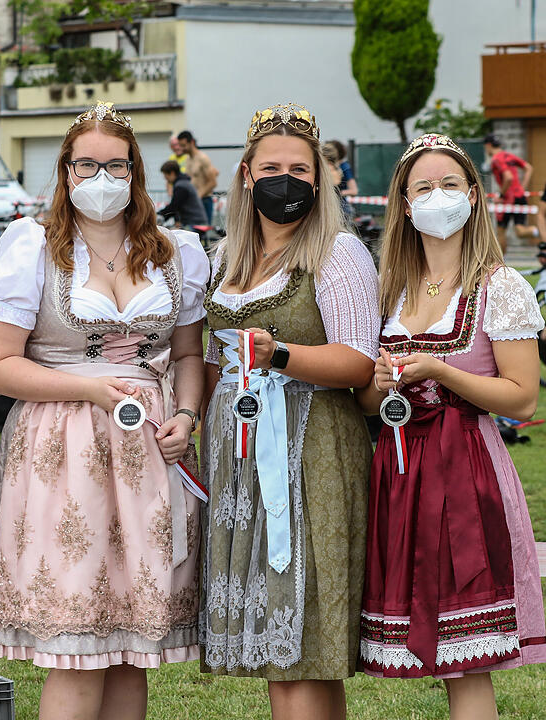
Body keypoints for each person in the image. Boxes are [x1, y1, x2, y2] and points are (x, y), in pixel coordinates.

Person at [0, 100, 209, 720]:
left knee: (134, 651)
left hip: (148, 450)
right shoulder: (32, 246)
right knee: (78, 652)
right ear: (65, 171)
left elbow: (189, 354)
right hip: (64, 447)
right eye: (87, 165)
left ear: (136, 171)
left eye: (116, 165)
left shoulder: (174, 251)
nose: (102, 178)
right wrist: (90, 390)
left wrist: (186, 414)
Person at [199, 103, 379, 720]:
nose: (286, 180)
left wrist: (280, 357)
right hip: (241, 450)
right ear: (246, 175)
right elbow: (208, 360)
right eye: (272, 167)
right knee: (288, 655)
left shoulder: (338, 253)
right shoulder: (225, 257)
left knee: (301, 645)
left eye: (300, 169)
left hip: (311, 448)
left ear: (320, 179)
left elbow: (358, 362)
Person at [357, 133, 546, 716]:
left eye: (449, 185)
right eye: (423, 187)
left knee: (466, 662)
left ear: (473, 195)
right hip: (400, 470)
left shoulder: (501, 285)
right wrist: (381, 386)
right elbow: (365, 399)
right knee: (441, 655)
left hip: (466, 471)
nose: (437, 197)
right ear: (404, 206)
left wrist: (440, 369)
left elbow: (521, 398)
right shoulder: (388, 288)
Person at [483, 133, 538, 252]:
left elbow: (508, 177)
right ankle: (538, 231)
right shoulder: (508, 155)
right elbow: (529, 168)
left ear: (488, 145)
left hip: (508, 198)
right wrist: (522, 188)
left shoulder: (496, 159)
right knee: (520, 231)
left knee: (501, 231)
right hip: (520, 196)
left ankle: (502, 263)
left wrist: (501, 195)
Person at [177, 129, 219, 224]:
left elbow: (213, 182)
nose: (182, 149)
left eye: (184, 145)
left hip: (204, 201)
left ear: (191, 142)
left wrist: (197, 196)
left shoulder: (202, 158)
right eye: (180, 146)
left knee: (202, 235)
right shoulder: (187, 159)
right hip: (193, 202)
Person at [159, 159, 208, 228]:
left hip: (194, 223)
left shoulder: (181, 186)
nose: (165, 178)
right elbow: (178, 206)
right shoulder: (184, 183)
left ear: (172, 173)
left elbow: (174, 206)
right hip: (197, 221)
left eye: (165, 175)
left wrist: (159, 215)